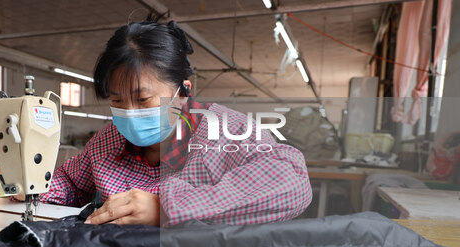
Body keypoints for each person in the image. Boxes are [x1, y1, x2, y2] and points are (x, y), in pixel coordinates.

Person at [38, 15, 312, 227]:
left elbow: (292, 185)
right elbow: (71, 181)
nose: (130, 113)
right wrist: (34, 185)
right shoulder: (108, 141)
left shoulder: (227, 133)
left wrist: (166, 208)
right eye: (117, 101)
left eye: (143, 100)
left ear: (183, 92)